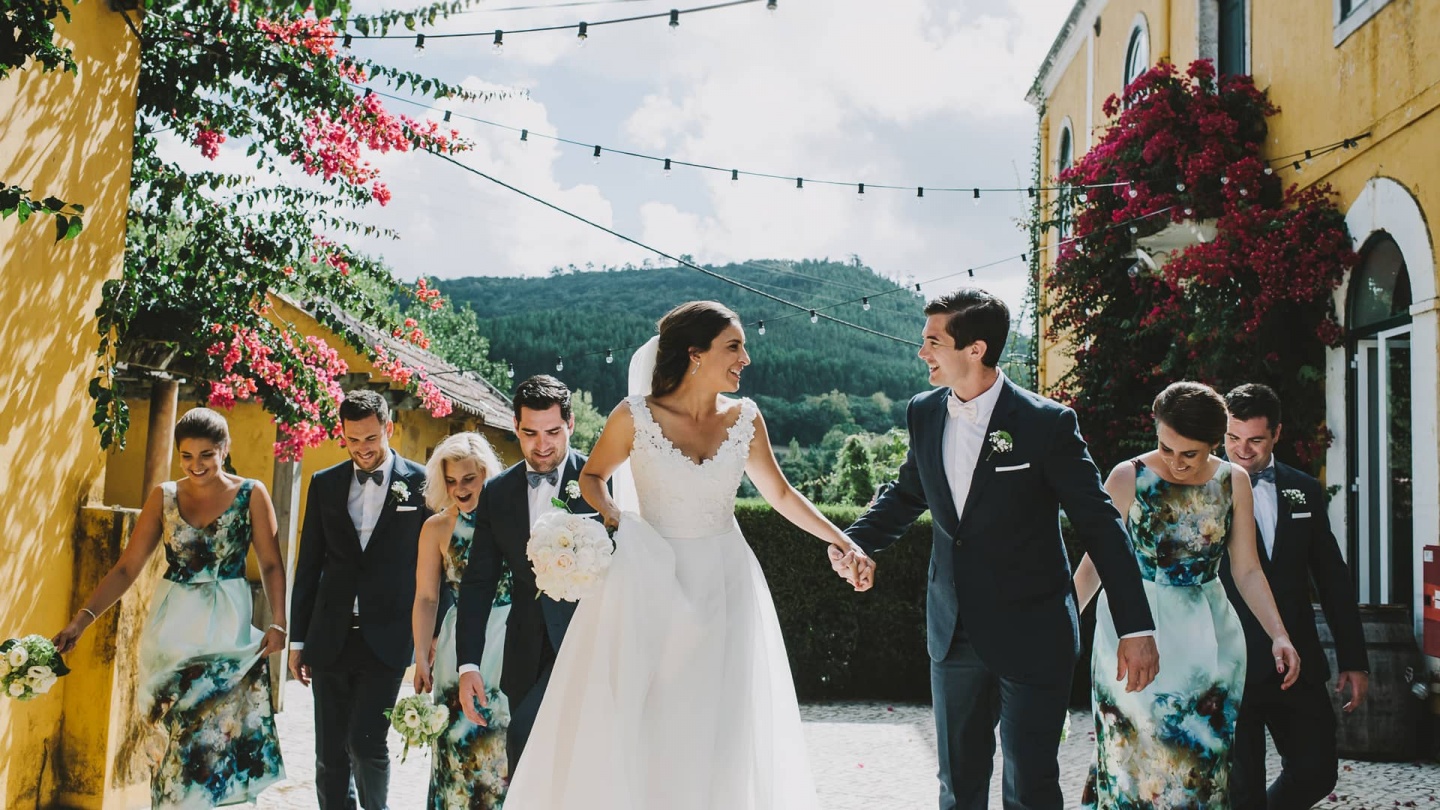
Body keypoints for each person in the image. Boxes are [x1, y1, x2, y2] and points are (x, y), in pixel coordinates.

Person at [500, 300, 871, 809]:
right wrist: (617, 518)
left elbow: (782, 495)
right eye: (734, 347)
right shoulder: (635, 416)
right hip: (651, 581)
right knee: (656, 717)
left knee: (724, 720)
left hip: (727, 584)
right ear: (696, 354)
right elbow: (592, 477)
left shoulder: (746, 419)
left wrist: (844, 541)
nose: (745, 359)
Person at [836, 288, 1157, 810]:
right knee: (957, 786)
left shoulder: (1047, 423)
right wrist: (854, 542)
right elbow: (909, 493)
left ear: (975, 349)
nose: (922, 352)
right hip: (953, 630)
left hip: (1035, 632)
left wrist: (1135, 627)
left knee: (1030, 787)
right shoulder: (923, 412)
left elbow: (1101, 525)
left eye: (933, 342)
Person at [1073, 381, 1301, 807]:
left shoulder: (1233, 482)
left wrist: (1279, 634)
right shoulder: (1127, 477)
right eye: (1166, 448)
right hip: (1133, 632)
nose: (1176, 462)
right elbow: (1095, 564)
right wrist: (1057, 629)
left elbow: (1247, 569)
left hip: (1209, 641)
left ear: (1215, 443)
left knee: (1201, 769)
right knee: (1133, 763)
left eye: (1190, 454)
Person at [53, 407, 286, 808]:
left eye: (207, 455)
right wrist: (82, 619)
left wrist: (279, 622)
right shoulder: (164, 497)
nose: (196, 465)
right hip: (170, 636)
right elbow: (126, 568)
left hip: (226, 637)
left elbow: (270, 564)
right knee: (172, 748)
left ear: (225, 449)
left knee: (215, 747)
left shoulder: (252, 494)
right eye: (187, 456)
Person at [1222, 383, 1369, 810]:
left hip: (1296, 662)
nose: (1242, 450)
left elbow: (1332, 578)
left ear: (1277, 434)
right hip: (1230, 663)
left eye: (1255, 439)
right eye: (1232, 437)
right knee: (1242, 792)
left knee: (1317, 772)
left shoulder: (1302, 489)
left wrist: (1354, 659)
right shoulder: (1202, 491)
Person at [288, 389, 431, 810]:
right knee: (330, 755)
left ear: (389, 429)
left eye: (371, 438)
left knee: (366, 744)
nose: (362, 449)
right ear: (343, 435)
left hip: (388, 637)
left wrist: (430, 639)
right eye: (353, 440)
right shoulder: (324, 483)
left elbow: (434, 569)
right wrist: (298, 640)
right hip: (330, 635)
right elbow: (309, 564)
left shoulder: (422, 483)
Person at [455, 376, 591, 776]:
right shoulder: (496, 493)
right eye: (530, 433)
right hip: (526, 652)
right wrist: (468, 665)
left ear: (570, 424)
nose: (541, 444)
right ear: (515, 426)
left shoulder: (601, 480)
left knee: (573, 761)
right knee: (526, 761)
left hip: (589, 643)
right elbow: (478, 582)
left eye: (553, 432)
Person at [412, 432, 510, 809]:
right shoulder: (436, 528)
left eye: (469, 479)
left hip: (510, 636)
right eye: (451, 481)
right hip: (458, 647)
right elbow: (426, 597)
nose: (460, 489)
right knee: (455, 746)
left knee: (502, 749)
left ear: (486, 474)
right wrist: (421, 655)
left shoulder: (511, 518)